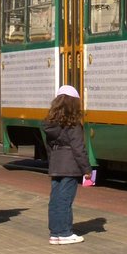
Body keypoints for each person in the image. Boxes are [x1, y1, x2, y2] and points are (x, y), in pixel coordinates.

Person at [44, 84, 92, 245]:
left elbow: (48, 147)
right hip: (70, 165)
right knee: (65, 200)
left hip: (56, 164)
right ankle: (65, 233)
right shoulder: (73, 124)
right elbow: (78, 148)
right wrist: (87, 169)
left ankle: (55, 233)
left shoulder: (50, 123)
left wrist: (52, 163)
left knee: (55, 199)